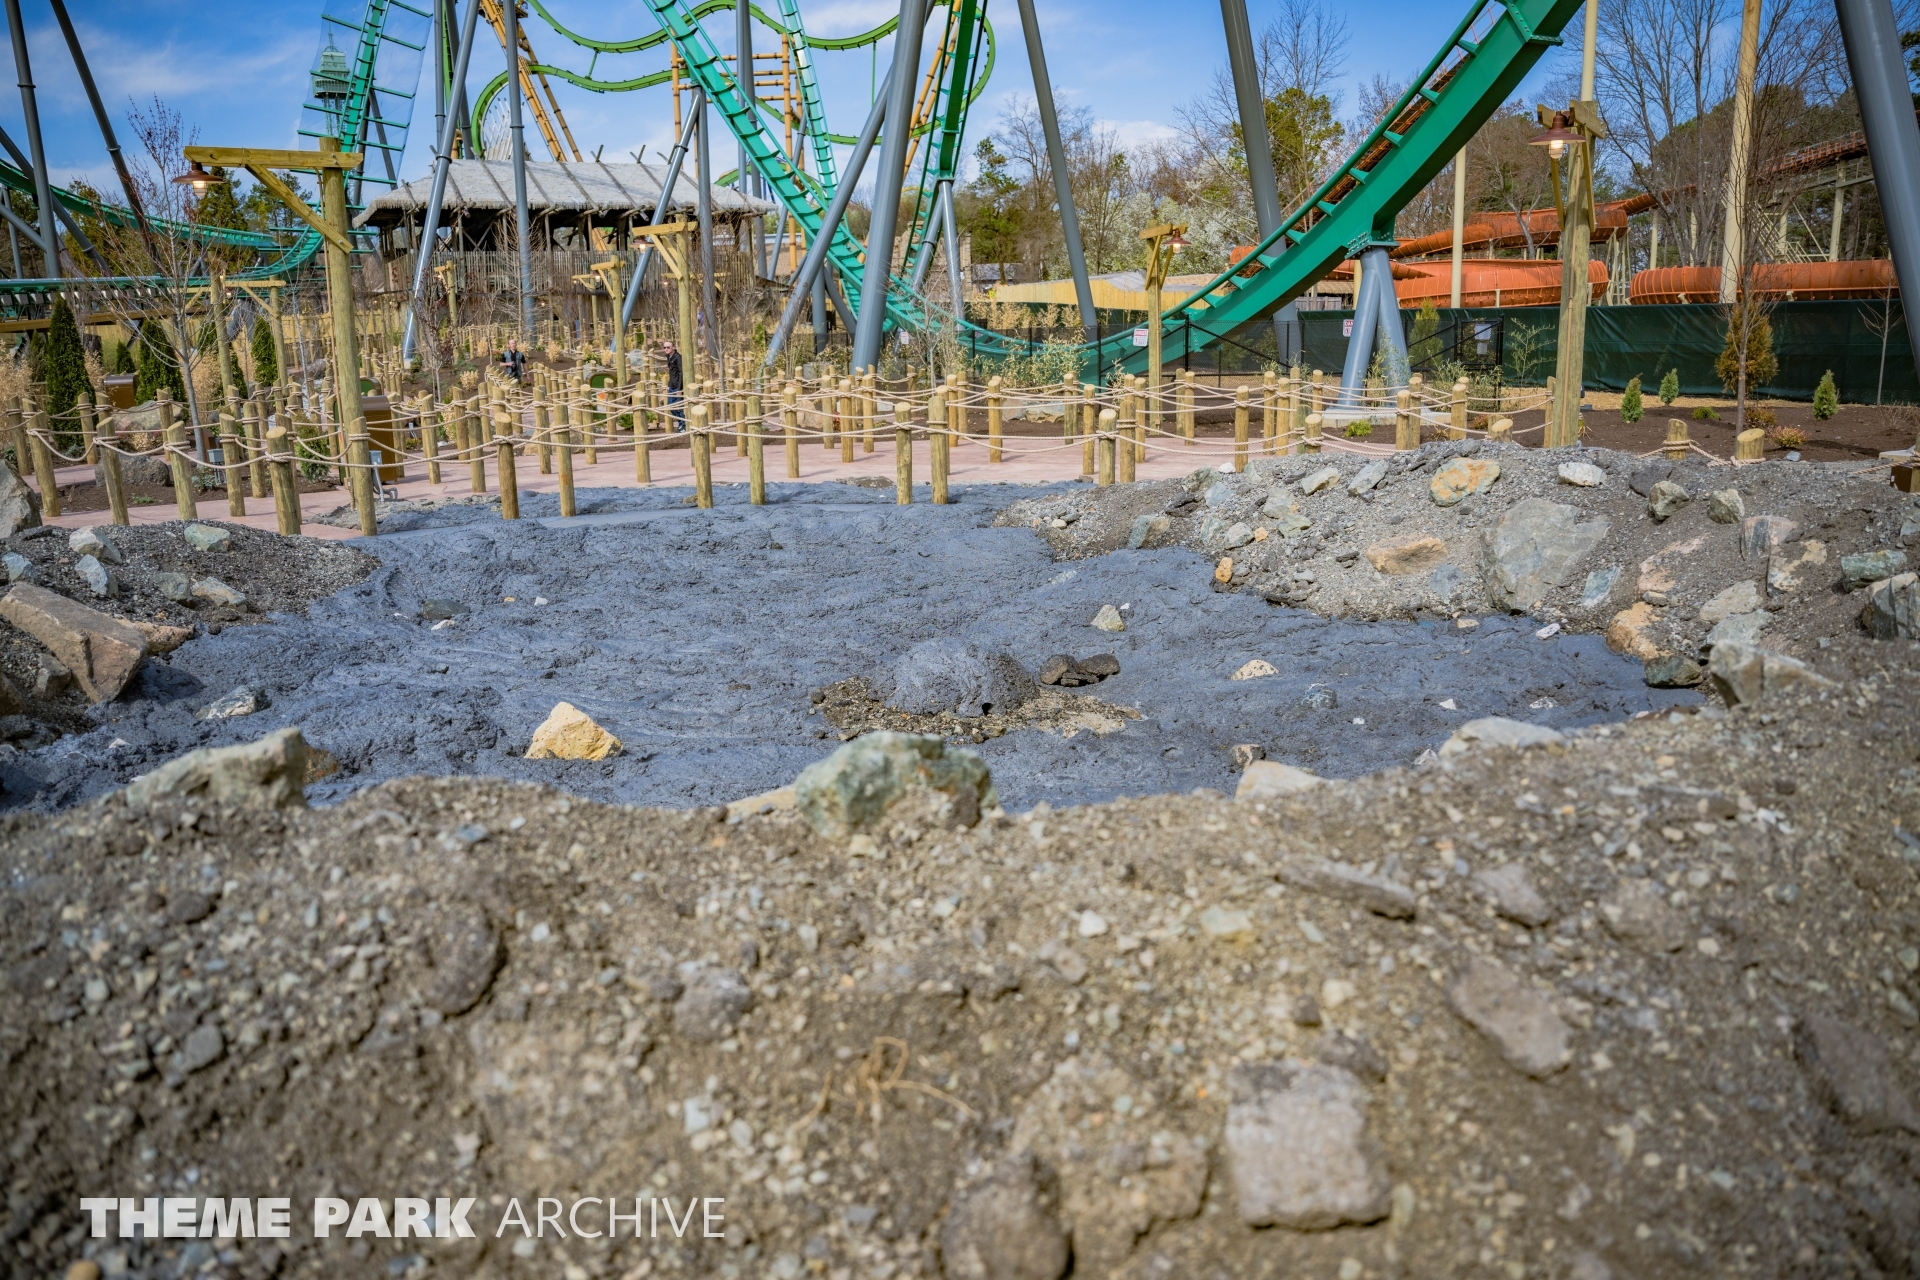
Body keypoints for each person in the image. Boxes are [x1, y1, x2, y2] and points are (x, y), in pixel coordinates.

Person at [652, 339, 685, 432]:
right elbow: (671, 372)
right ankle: (681, 423)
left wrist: (680, 389)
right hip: (672, 386)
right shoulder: (668, 357)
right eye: (664, 347)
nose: (666, 349)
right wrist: (669, 385)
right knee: (670, 406)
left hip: (678, 386)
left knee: (680, 407)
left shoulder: (678, 358)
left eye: (668, 347)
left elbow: (681, 373)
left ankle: (684, 425)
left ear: (673, 347)